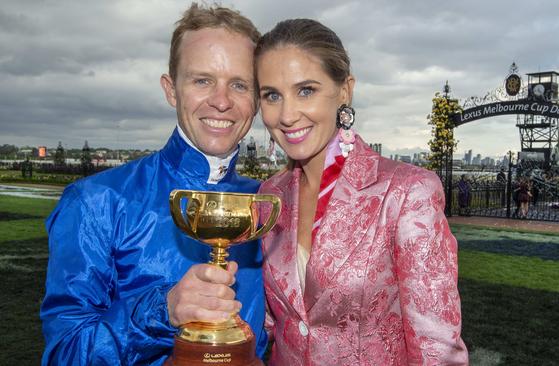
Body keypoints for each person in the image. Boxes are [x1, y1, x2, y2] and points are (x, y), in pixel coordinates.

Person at [40, 4, 267, 365]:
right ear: (171, 90)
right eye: (202, 80)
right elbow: (64, 354)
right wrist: (161, 310)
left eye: (239, 84)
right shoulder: (96, 202)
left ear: (256, 99)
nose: (222, 101)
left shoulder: (267, 203)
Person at [254, 19, 468, 365]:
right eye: (272, 95)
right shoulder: (269, 197)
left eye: (306, 90)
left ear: (344, 91)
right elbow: (271, 325)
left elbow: (437, 350)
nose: (287, 115)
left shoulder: (407, 193)